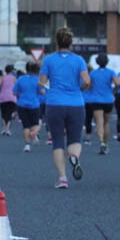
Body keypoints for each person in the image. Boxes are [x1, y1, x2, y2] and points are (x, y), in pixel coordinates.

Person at [39, 27, 90, 189]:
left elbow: (41, 82)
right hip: (76, 103)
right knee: (75, 139)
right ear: (71, 42)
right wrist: (80, 89)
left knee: (58, 142)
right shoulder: (79, 60)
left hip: (54, 103)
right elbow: (87, 81)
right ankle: (74, 156)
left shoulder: (48, 60)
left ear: (56, 41)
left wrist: (50, 87)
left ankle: (62, 178)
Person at [88, 53, 116, 155]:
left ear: (97, 62)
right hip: (108, 99)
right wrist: (113, 91)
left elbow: (88, 85)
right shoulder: (111, 72)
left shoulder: (93, 73)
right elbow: (117, 83)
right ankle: (106, 143)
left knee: (99, 122)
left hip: (96, 99)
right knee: (106, 123)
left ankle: (101, 143)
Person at [13, 61, 42, 152]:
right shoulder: (38, 80)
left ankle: (27, 145)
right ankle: (33, 133)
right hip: (34, 104)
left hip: (22, 104)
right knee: (35, 124)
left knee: (25, 125)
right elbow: (42, 91)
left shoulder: (21, 79)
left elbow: (14, 92)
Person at [0, 64, 18, 137]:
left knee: (3, 113)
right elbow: (17, 87)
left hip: (3, 97)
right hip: (12, 97)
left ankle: (4, 128)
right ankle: (8, 129)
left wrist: (1, 88)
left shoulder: (2, 77)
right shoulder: (14, 78)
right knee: (9, 113)